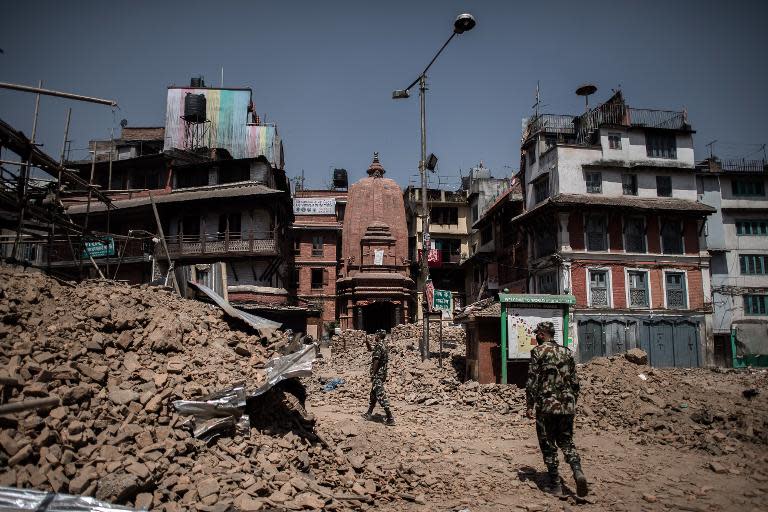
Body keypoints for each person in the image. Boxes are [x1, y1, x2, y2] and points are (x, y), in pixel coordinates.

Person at [525, 321, 588, 497]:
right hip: (567, 406)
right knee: (567, 442)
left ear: (542, 335)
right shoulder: (567, 352)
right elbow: (575, 382)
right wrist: (571, 401)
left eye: (538, 333)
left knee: (548, 444)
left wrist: (530, 404)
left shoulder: (538, 352)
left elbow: (532, 380)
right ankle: (577, 471)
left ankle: (555, 484)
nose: (536, 336)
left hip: (546, 406)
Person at [362, 329, 395, 426]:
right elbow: (370, 349)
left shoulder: (379, 346)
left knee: (380, 394)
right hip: (381, 374)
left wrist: (373, 374)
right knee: (373, 394)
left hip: (378, 374)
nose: (374, 336)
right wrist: (367, 342)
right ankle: (369, 413)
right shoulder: (382, 345)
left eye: (376, 335)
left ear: (379, 336)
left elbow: (376, 360)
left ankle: (390, 418)